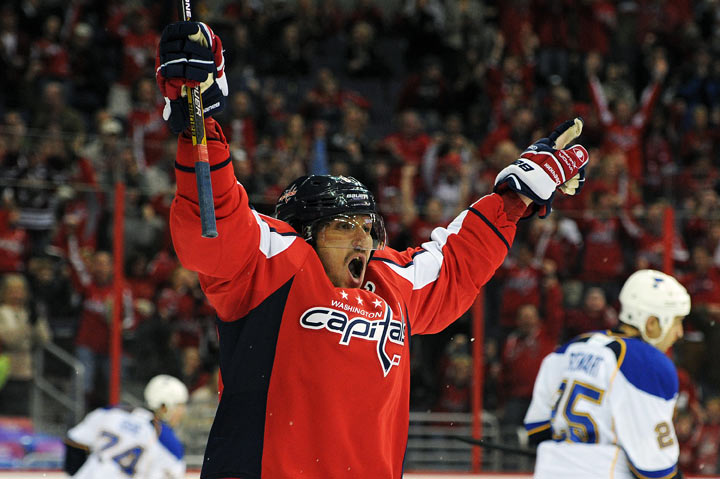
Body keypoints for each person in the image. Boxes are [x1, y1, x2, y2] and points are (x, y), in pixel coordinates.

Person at [155, 21, 589, 478]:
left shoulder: (390, 282)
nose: (363, 239)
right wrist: (200, 121)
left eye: (368, 227)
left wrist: (513, 199)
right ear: (304, 233)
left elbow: (455, 265)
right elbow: (215, 226)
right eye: (344, 226)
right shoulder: (273, 262)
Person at [524, 269, 690, 479]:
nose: (679, 332)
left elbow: (537, 429)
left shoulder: (571, 348)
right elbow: (654, 467)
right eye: (677, 321)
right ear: (651, 323)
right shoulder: (648, 363)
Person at [63, 374, 188, 478]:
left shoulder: (111, 412)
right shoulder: (168, 442)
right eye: (179, 405)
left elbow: (74, 445)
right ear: (164, 407)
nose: (182, 412)